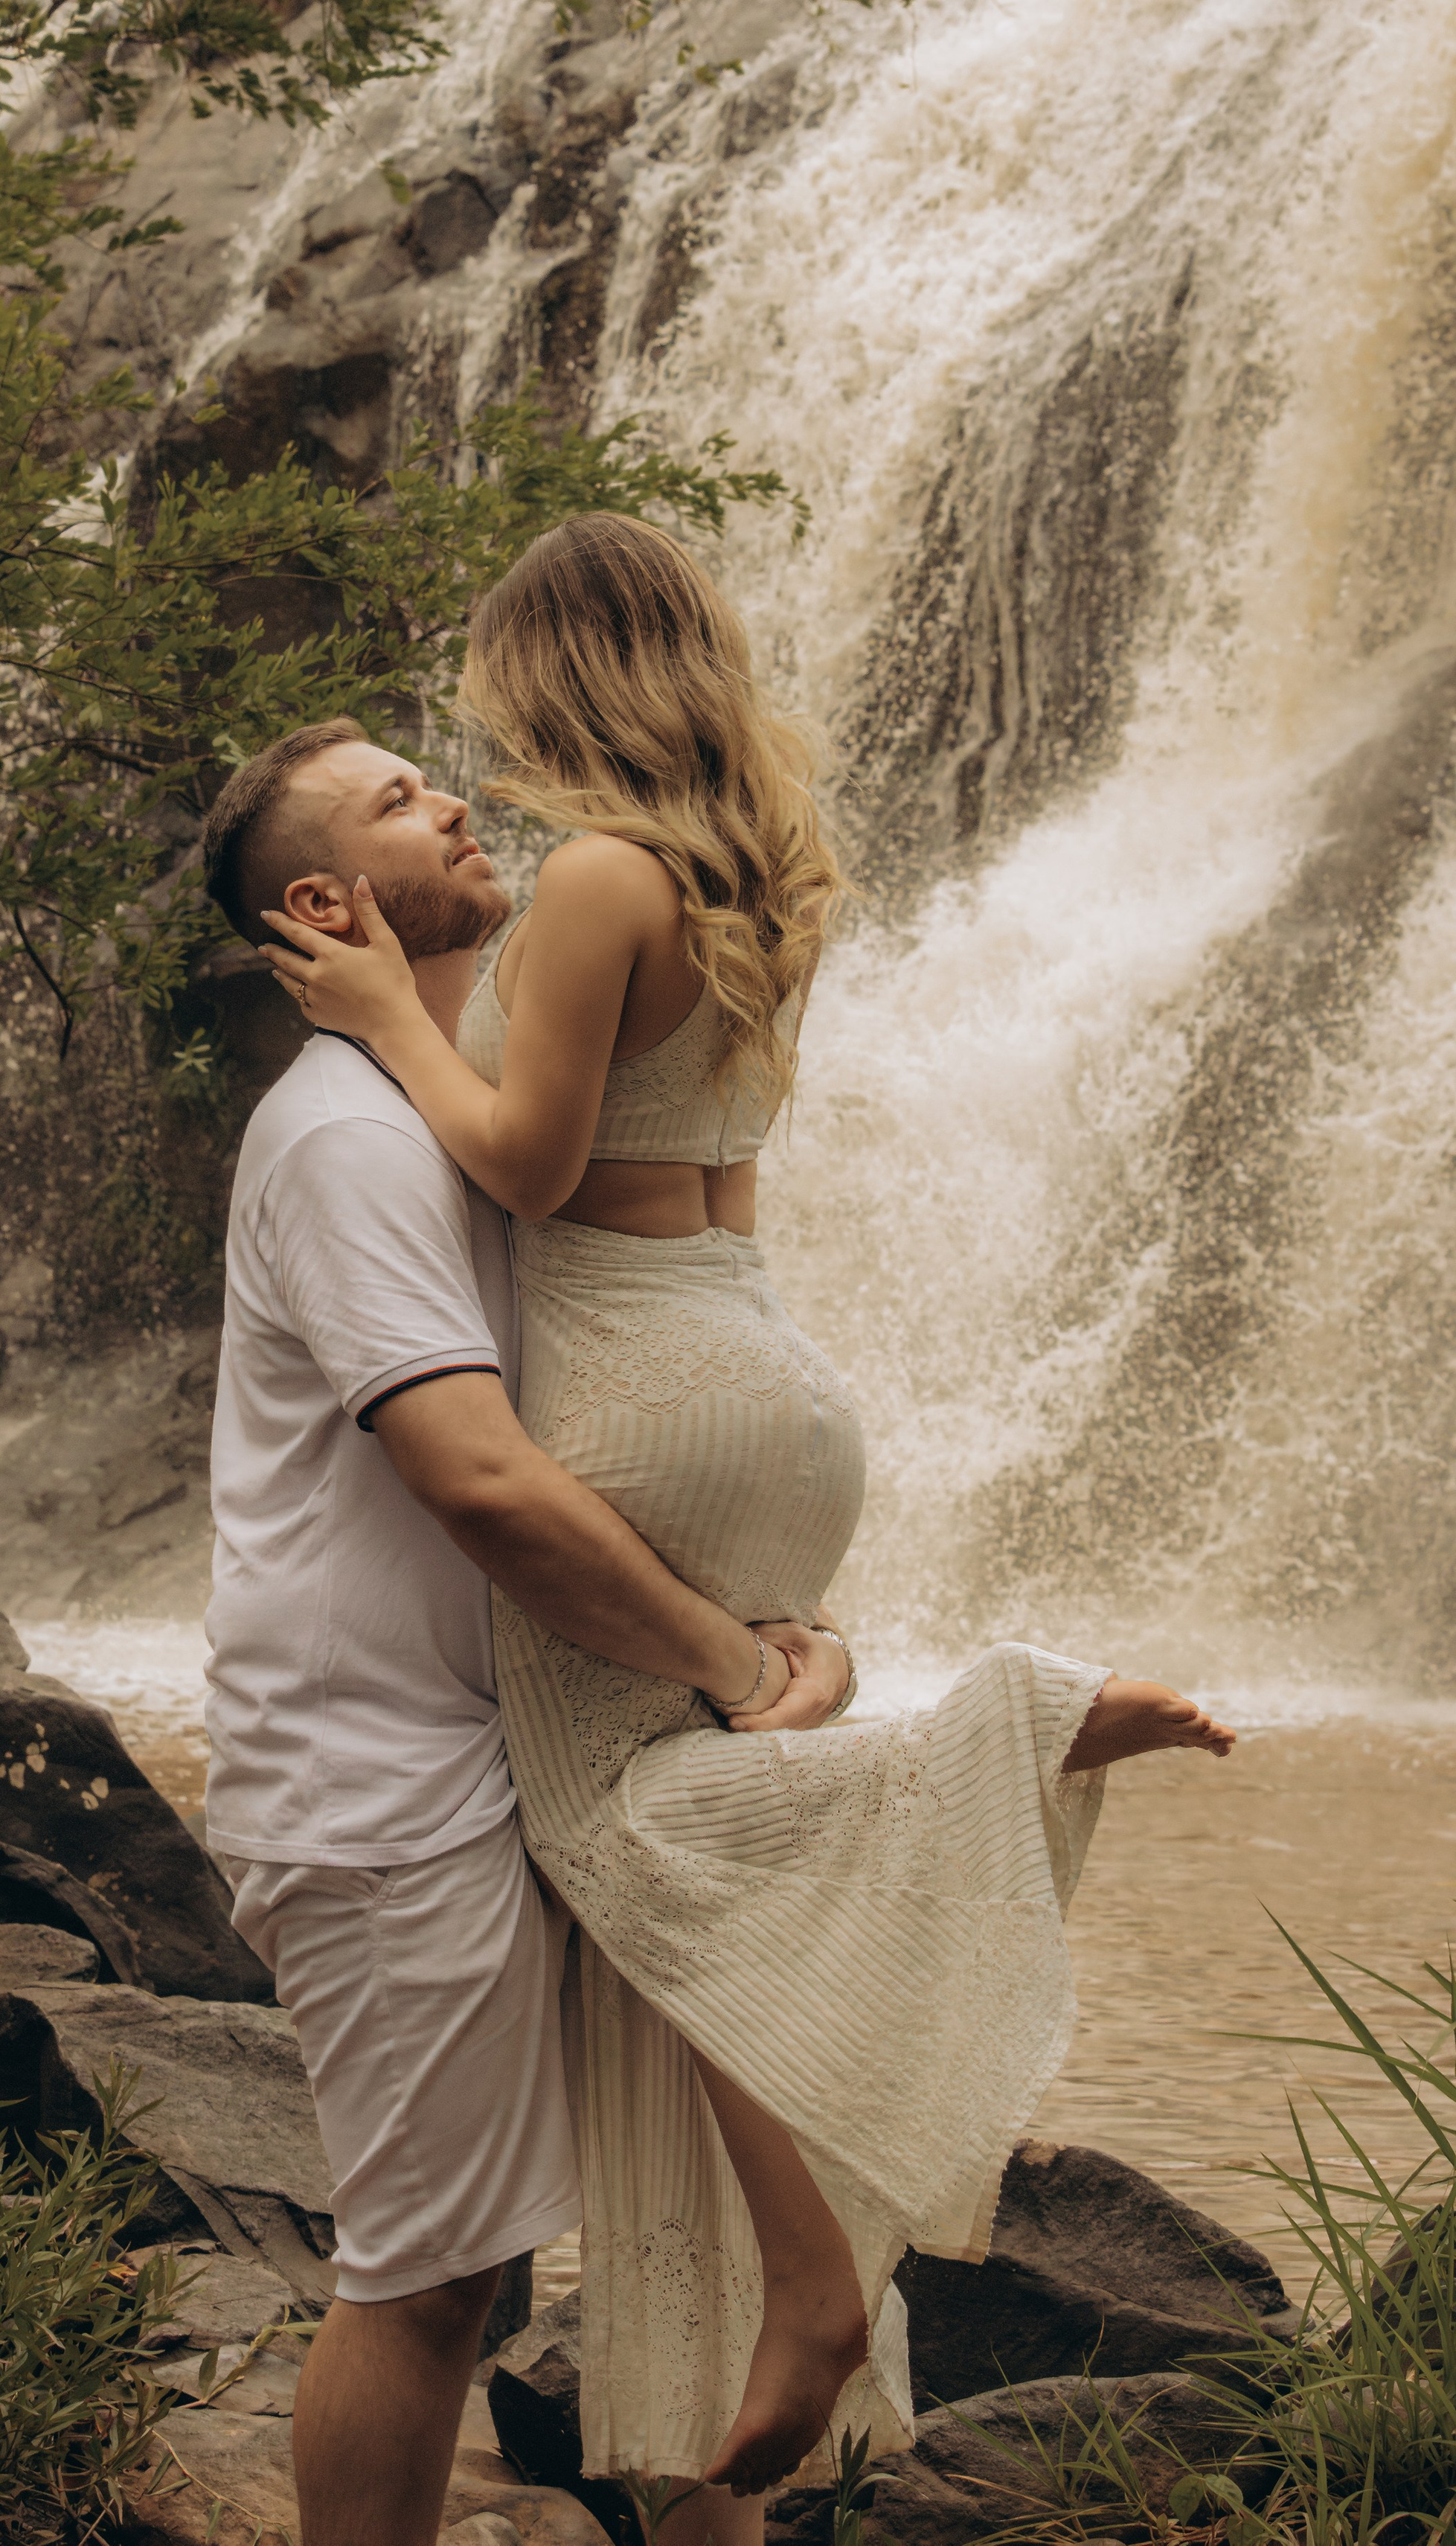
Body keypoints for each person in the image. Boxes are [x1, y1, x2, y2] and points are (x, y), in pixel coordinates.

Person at [260, 516, 1237, 2544]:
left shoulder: (596, 877)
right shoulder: (754, 884)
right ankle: (725, 2452)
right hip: (770, 1375)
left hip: (634, 1386)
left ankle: (996, 1753)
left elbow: (529, 1169)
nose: (473, 749)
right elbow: (708, 1172)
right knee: (703, 1838)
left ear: (555, 676)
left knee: (636, 1832)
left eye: (492, 695)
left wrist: (384, 1022)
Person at [197, 716, 854, 2546]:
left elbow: (645, 1405)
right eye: (403, 800)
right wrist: (727, 1668)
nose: (458, 799)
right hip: (379, 1771)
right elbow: (479, 1479)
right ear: (325, 901)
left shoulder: (499, 1103)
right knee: (435, 2276)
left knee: (665, 2235)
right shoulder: (342, 1138)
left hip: (552, 1737)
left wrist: (775, 1610)